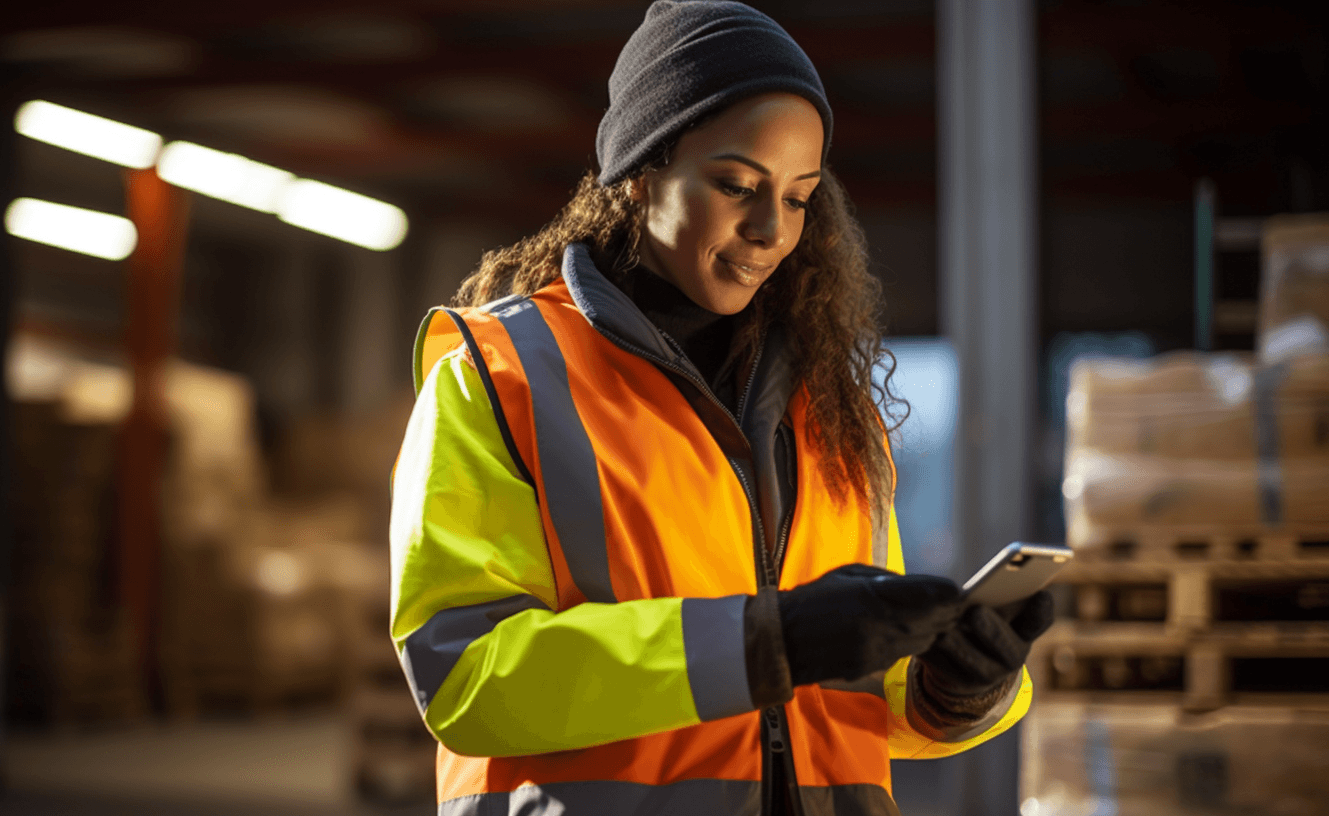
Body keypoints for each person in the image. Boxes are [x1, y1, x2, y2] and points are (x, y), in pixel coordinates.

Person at [388, 2, 1054, 814]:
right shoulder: (498, 376)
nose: (774, 229)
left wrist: (954, 687)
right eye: (737, 185)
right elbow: (465, 678)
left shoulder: (834, 407)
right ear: (639, 174)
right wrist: (763, 643)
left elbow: (857, 701)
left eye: (802, 196)